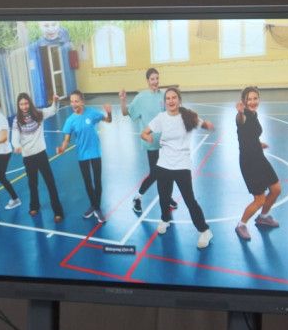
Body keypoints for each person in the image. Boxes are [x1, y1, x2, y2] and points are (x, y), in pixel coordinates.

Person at [140, 87, 215, 249]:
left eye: (174, 97)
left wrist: (208, 125)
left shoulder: (188, 116)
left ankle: (205, 231)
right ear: (164, 102)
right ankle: (165, 219)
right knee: (164, 197)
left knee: (189, 200)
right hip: (164, 164)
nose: (171, 101)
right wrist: (147, 136)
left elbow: (204, 124)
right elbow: (144, 132)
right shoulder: (161, 118)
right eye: (168, 98)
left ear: (179, 100)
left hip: (182, 164)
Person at [119, 67, 177, 214]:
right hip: (151, 142)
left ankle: (167, 197)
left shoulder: (164, 96)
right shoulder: (141, 97)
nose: (155, 81)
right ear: (147, 81)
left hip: (165, 142)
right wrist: (123, 100)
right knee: (155, 173)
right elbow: (125, 112)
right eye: (152, 79)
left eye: (157, 78)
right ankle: (137, 197)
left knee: (168, 172)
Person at [234, 86, 282, 240]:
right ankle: (241, 225)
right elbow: (241, 121)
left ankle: (263, 217)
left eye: (255, 98)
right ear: (244, 101)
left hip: (259, 157)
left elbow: (249, 134)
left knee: (276, 189)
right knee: (260, 199)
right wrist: (240, 112)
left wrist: (258, 143)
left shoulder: (254, 114)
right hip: (249, 163)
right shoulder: (243, 115)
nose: (253, 102)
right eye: (249, 99)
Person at [57, 90, 112, 222]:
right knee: (88, 183)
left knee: (97, 181)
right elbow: (66, 139)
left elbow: (108, 120)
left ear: (82, 101)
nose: (73, 104)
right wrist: (62, 148)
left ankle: (96, 208)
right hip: (82, 155)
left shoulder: (92, 113)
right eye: (71, 101)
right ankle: (95, 207)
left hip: (95, 152)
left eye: (76, 101)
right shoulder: (70, 120)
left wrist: (109, 113)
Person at [12, 92, 65, 222]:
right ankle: (34, 206)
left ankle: (58, 211)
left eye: (26, 103)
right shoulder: (17, 120)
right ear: (18, 106)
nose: (24, 106)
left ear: (29, 103)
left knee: (50, 182)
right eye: (21, 104)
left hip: (41, 154)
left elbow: (53, 110)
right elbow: (14, 138)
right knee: (32, 183)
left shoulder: (38, 114)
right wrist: (16, 146)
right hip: (28, 156)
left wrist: (55, 101)